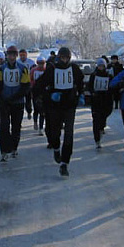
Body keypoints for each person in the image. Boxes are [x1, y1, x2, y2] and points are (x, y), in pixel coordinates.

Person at [34, 47, 84, 177]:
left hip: (69, 106)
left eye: (67, 58)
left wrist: (80, 95)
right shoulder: (52, 69)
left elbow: (81, 83)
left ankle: (64, 164)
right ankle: (56, 148)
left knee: (69, 134)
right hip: (54, 107)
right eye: (62, 57)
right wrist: (48, 95)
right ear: (59, 57)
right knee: (54, 133)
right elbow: (39, 85)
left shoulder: (74, 69)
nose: (65, 60)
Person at [0, 45, 30, 162]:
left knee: (16, 127)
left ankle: (14, 148)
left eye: (13, 55)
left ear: (16, 56)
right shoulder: (1, 69)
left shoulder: (23, 69)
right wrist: (1, 100)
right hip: (4, 103)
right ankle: (4, 151)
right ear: (7, 56)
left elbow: (25, 87)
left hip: (17, 102)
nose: (11, 57)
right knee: (4, 127)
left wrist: (15, 98)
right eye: (9, 55)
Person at [88, 58, 113, 149]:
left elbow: (111, 88)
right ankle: (97, 140)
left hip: (106, 101)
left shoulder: (109, 76)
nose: (101, 67)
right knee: (96, 120)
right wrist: (93, 93)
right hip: (96, 101)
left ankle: (102, 128)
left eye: (102, 66)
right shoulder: (93, 75)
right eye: (99, 66)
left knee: (103, 118)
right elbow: (89, 86)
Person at [30, 56, 47, 136]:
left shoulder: (47, 70)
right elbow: (30, 80)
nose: (41, 65)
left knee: (42, 111)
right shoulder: (33, 70)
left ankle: (41, 128)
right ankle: (35, 122)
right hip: (35, 92)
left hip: (44, 93)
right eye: (39, 63)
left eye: (42, 63)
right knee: (36, 109)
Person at [18, 49, 36, 120]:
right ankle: (19, 118)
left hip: (28, 84)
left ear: (26, 55)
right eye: (21, 55)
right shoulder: (17, 62)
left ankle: (29, 111)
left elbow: (34, 71)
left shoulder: (31, 62)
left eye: (24, 55)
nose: (22, 57)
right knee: (20, 102)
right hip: (20, 84)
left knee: (28, 100)